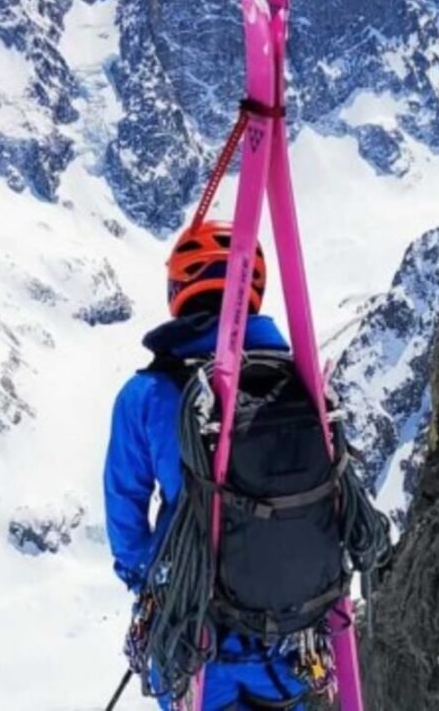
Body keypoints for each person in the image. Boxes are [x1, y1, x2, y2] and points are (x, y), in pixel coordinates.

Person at [104, 220, 307, 710]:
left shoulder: (148, 396)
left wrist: (148, 585)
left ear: (179, 287)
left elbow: (125, 511)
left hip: (195, 638)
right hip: (292, 635)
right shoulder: (300, 382)